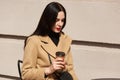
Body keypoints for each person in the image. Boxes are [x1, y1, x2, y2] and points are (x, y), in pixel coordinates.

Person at [22, 1, 78, 80]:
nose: (60, 24)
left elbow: (71, 70)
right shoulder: (34, 41)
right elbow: (25, 74)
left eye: (62, 20)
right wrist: (48, 70)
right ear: (48, 19)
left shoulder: (65, 40)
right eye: (56, 20)